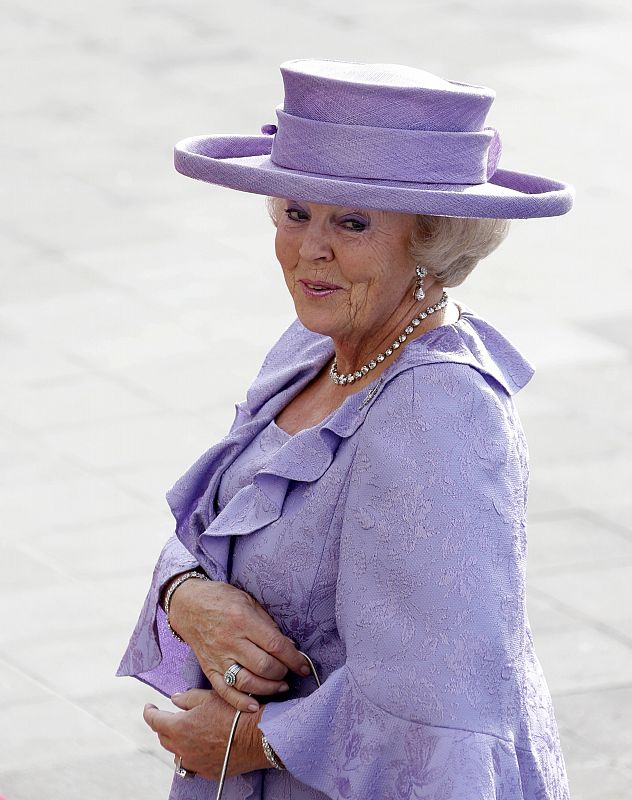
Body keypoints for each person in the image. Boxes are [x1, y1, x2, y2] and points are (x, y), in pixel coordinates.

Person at [116, 59, 574, 800]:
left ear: (429, 240)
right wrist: (185, 596)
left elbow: (445, 705)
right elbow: (207, 521)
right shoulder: (314, 347)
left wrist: (250, 739)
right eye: (296, 212)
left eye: (352, 223)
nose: (309, 250)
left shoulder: (437, 412)